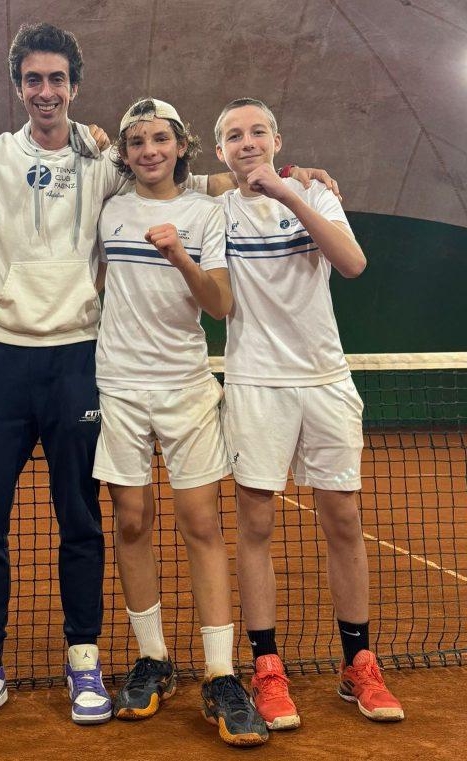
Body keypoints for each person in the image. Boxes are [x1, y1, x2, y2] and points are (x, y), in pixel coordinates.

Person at [0, 23, 337, 730]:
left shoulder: (106, 162)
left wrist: (292, 175)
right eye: (33, 80)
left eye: (57, 80)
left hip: (78, 362)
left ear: (75, 86)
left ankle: (89, 657)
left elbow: (183, 178)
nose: (45, 92)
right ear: (18, 87)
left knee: (83, 521)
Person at [214, 97, 405, 730]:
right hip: (255, 383)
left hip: (325, 379)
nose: (248, 142)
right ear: (221, 151)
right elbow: (167, 180)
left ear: (276, 138)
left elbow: (351, 263)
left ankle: (359, 662)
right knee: (256, 523)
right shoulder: (217, 211)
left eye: (258, 131)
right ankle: (267, 667)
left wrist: (293, 192)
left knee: (344, 517)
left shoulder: (316, 197)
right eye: (235, 136)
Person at [94, 98, 268, 747]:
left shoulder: (205, 213)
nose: (148, 149)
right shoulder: (106, 210)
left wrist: (179, 257)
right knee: (131, 519)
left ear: (179, 144)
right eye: (136, 140)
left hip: (188, 388)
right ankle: (153, 658)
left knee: (201, 522)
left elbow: (221, 303)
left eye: (159, 138)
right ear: (125, 151)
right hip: (119, 387)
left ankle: (221, 674)